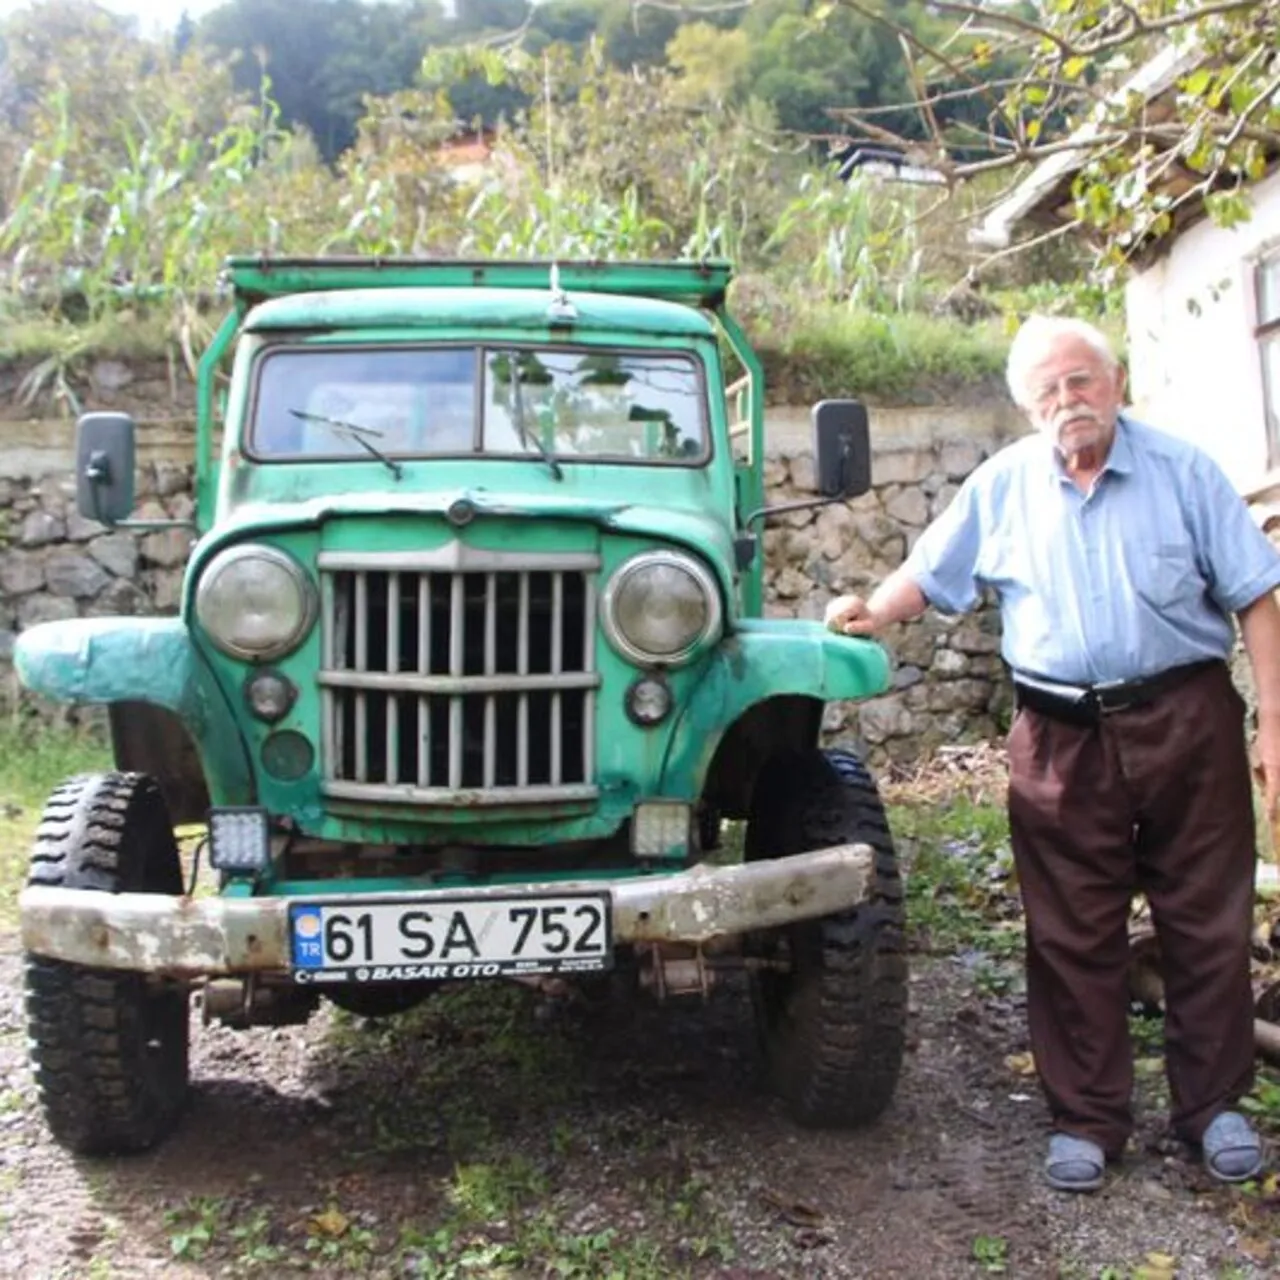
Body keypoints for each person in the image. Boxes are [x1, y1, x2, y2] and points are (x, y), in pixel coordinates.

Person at [825, 314, 1280, 1192]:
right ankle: (1088, 1118)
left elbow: (1260, 595)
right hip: (1059, 736)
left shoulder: (1184, 472)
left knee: (1207, 919)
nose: (1067, 402)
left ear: (1115, 383)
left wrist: (1274, 726)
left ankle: (1214, 1108)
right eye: (1047, 392)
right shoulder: (1002, 487)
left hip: (1187, 721)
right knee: (1070, 931)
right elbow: (931, 570)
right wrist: (875, 607)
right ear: (1026, 408)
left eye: (1081, 381)